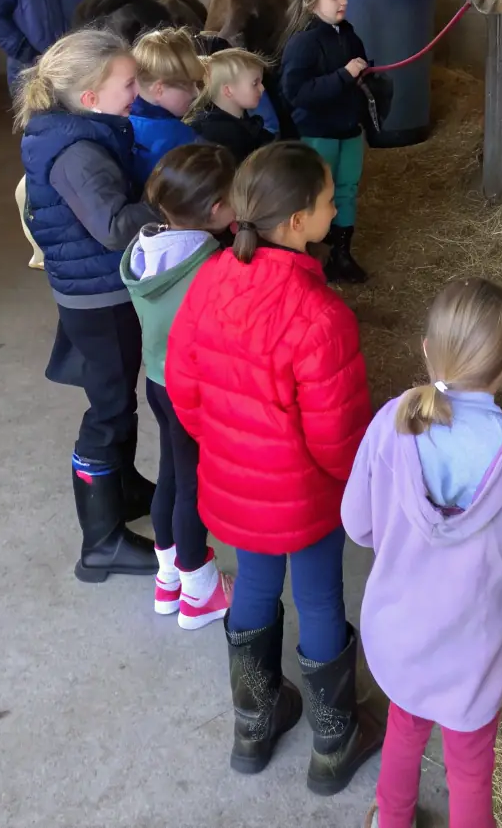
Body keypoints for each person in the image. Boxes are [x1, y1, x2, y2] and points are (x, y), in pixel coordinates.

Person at [165, 141, 380, 787]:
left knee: (255, 585)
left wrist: (229, 445)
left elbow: (183, 387)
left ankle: (254, 725)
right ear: (296, 223)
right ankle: (333, 741)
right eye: (326, 200)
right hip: (308, 496)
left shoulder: (208, 281)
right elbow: (338, 436)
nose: (335, 205)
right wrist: (354, 485)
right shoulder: (322, 315)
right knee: (318, 596)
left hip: (235, 485)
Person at [342, 278, 502, 828]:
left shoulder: (392, 422)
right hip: (474, 652)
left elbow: (357, 524)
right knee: (470, 766)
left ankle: (390, 819)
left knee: (404, 728)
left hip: (400, 635)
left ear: (424, 349)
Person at [17, 27, 158, 583]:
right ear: (91, 97)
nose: (137, 90)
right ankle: (100, 543)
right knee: (106, 412)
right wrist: (164, 201)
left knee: (117, 397)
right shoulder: (79, 152)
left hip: (94, 291)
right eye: (129, 83)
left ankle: (121, 491)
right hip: (99, 297)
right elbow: (113, 228)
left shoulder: (82, 132)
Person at [120, 143, 237, 630]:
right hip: (193, 389)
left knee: (171, 471)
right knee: (194, 483)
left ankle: (168, 575)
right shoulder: (209, 269)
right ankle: (198, 586)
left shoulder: (145, 253)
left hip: (156, 381)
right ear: (216, 211)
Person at [279, 0, 388, 284]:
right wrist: (344, 76)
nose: (343, 1)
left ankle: (342, 253)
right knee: (315, 195)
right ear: (312, 0)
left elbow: (359, 78)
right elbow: (296, 92)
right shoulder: (303, 43)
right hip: (317, 134)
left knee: (346, 190)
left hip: (348, 131)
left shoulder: (349, 36)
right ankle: (313, 256)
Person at [128, 27, 204, 186]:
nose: (196, 93)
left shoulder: (118, 123)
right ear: (159, 89)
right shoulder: (179, 138)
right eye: (188, 85)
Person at [189, 48, 275, 164]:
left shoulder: (240, 122)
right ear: (228, 91)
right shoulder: (220, 136)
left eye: (261, 82)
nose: (262, 88)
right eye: (255, 83)